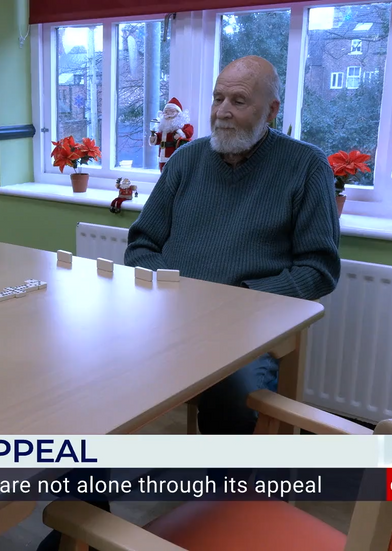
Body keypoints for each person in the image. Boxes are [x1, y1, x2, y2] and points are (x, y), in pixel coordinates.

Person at [126, 55, 341, 436]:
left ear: (271, 110)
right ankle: (88, 495)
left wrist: (240, 300)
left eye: (238, 102)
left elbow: (318, 269)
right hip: (170, 315)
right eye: (217, 99)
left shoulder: (306, 166)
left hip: (247, 325)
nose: (222, 112)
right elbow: (142, 244)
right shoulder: (185, 160)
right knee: (89, 373)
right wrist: (176, 293)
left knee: (234, 397)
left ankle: (226, 493)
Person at [148, 96, 193, 171]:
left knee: (174, 173)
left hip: (176, 156)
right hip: (162, 156)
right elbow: (158, 139)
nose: (168, 114)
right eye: (166, 111)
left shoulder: (182, 126)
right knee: (163, 172)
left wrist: (181, 134)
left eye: (171, 111)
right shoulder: (163, 127)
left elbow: (189, 131)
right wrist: (154, 138)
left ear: (178, 113)